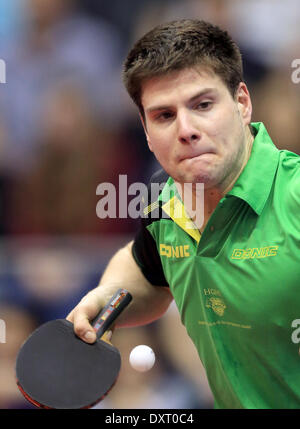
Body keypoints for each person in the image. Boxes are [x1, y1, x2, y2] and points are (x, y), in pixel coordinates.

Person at [67, 19, 300, 409]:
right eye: (164, 116)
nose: (187, 129)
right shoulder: (167, 203)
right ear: (144, 129)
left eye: (203, 104)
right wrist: (106, 296)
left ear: (242, 103)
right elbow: (144, 267)